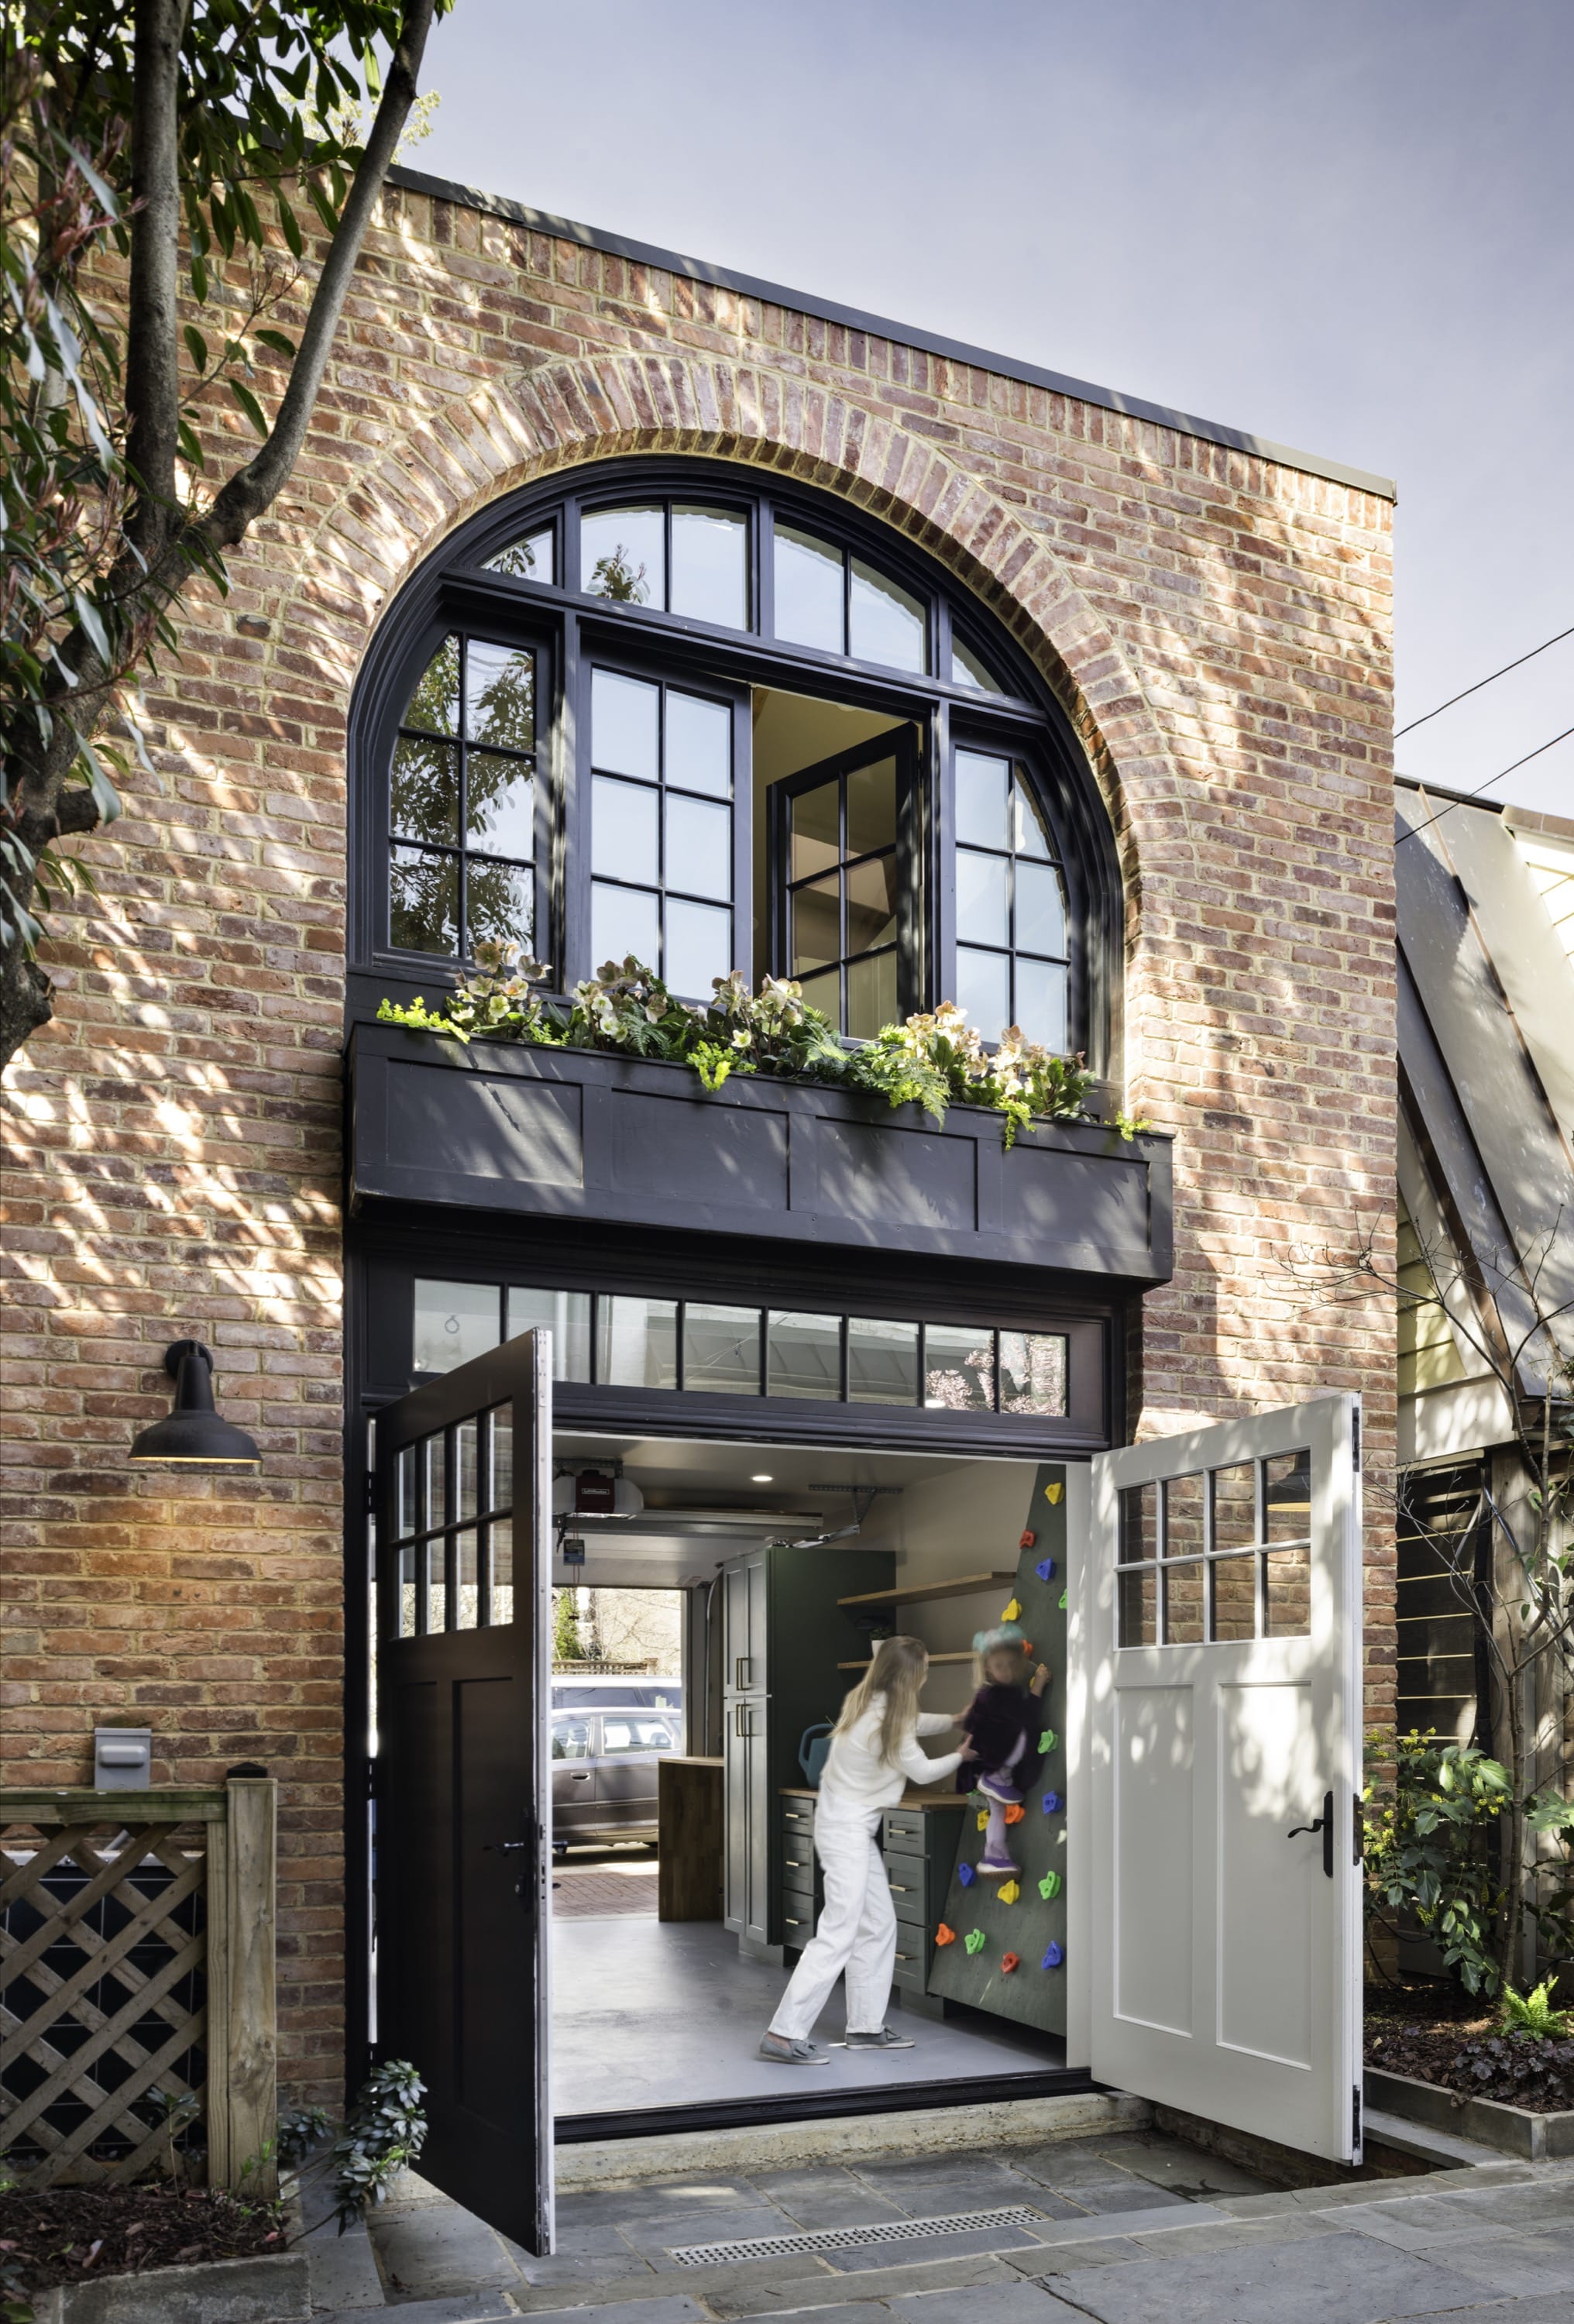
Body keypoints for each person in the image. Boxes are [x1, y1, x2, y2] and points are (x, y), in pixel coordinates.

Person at [759, 1635, 975, 2066]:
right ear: (912, 1676)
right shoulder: (884, 1721)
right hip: (846, 1833)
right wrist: (962, 1755)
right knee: (839, 1931)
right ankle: (784, 2033)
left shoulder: (873, 1702)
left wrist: (954, 1719)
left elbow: (915, 1722)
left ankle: (865, 2027)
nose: (928, 1675)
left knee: (878, 1925)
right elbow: (924, 1771)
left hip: (847, 1828)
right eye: (926, 1668)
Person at [960, 1623, 1050, 1875]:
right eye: (1000, 1666)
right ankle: (996, 1775)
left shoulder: (988, 1693)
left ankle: (994, 1855)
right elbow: (1028, 1716)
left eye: (1012, 1664)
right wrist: (1039, 1685)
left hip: (985, 1765)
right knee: (1020, 1729)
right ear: (988, 1666)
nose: (1008, 1671)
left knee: (997, 1810)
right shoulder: (998, 1695)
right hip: (993, 1764)